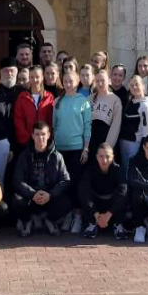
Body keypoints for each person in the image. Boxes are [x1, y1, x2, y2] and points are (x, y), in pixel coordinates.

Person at [12, 120, 72, 236]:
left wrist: (50, 194)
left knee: (66, 202)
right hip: (30, 197)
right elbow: (17, 180)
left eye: (43, 134)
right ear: (32, 135)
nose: (41, 138)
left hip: (49, 196)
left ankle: (50, 220)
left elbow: (65, 180)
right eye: (37, 134)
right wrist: (32, 194)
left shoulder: (57, 156)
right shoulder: (24, 155)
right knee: (16, 201)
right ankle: (26, 221)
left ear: (49, 135)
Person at [53, 69, 92, 230]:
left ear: (77, 82)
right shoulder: (57, 101)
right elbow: (54, 125)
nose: (68, 84)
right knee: (63, 183)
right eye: (65, 81)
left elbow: (87, 126)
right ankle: (66, 214)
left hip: (77, 149)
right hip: (60, 149)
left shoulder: (83, 101)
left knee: (75, 183)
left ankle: (77, 216)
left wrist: (86, 148)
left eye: (71, 81)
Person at [79, 142, 127, 239]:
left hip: (113, 207)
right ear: (96, 157)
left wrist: (108, 214)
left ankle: (118, 225)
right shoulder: (90, 170)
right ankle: (92, 224)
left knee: (124, 193)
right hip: (96, 206)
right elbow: (83, 191)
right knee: (83, 191)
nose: (104, 160)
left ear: (113, 157)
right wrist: (96, 215)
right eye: (101, 156)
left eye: (107, 157)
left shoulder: (119, 170)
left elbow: (123, 192)